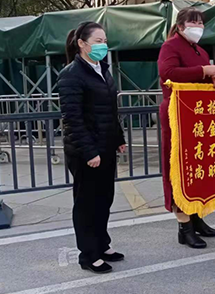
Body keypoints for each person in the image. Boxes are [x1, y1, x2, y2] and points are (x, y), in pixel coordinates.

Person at [58, 21, 126, 274]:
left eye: (105, 41)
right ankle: (88, 254)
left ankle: (101, 244)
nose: (103, 45)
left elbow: (110, 110)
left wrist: (118, 138)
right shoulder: (71, 74)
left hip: (105, 147)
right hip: (86, 152)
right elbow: (72, 119)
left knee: (104, 199)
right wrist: (89, 152)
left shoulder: (102, 70)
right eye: (98, 41)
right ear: (82, 44)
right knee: (87, 203)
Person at [157, 7, 215, 249]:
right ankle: (184, 226)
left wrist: (214, 78)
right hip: (177, 113)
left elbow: (199, 79)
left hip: (197, 115)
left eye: (201, 23)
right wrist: (203, 70)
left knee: (197, 167)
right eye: (193, 23)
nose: (198, 27)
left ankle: (196, 217)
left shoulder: (200, 50)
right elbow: (168, 73)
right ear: (181, 26)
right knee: (178, 167)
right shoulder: (170, 46)